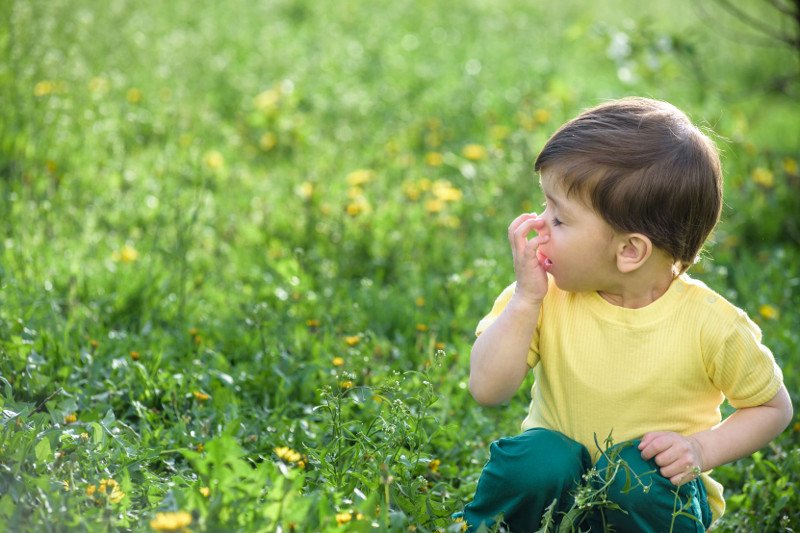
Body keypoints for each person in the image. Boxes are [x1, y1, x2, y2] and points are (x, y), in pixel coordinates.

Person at [461, 97, 793, 532]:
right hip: (558, 496)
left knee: (635, 472)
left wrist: (699, 450)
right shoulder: (543, 297)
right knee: (539, 459)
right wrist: (524, 302)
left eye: (559, 219)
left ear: (630, 251)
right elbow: (487, 389)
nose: (538, 225)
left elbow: (773, 407)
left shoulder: (710, 325)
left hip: (652, 503)